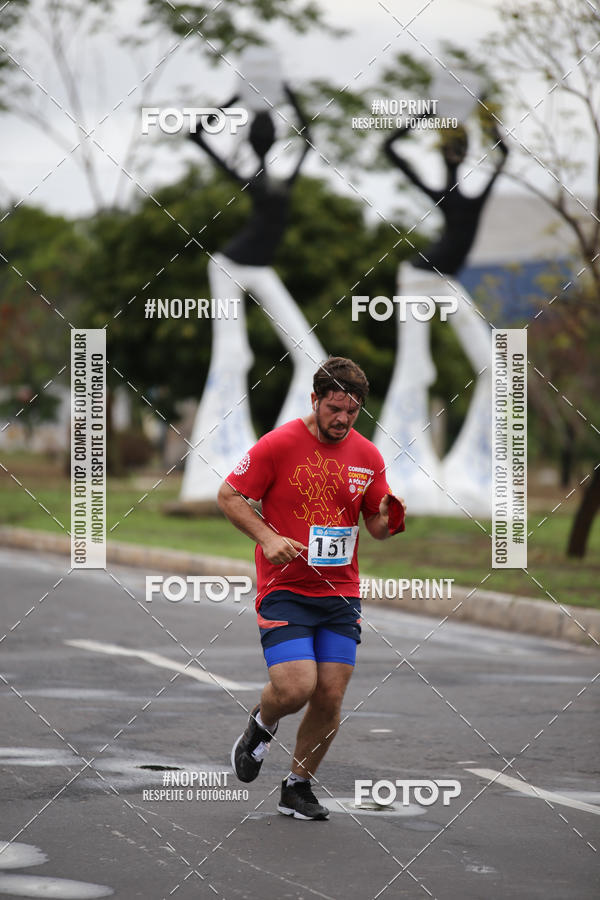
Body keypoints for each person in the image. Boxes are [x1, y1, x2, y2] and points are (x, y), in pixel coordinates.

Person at [217, 356, 406, 820]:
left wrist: (390, 517)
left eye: (352, 411)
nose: (342, 419)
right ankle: (261, 725)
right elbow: (229, 495)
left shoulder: (368, 456)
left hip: (340, 594)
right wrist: (267, 537)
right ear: (315, 400)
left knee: (330, 696)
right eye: (334, 408)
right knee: (297, 686)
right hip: (285, 589)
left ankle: (297, 786)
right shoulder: (279, 444)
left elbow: (375, 527)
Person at [181, 86, 325, 503]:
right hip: (228, 267)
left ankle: (285, 460)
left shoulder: (280, 180)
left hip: (259, 269)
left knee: (313, 359)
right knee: (233, 357)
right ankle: (217, 468)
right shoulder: (255, 180)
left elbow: (310, 137)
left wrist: (286, 94)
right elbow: (195, 135)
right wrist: (234, 99)